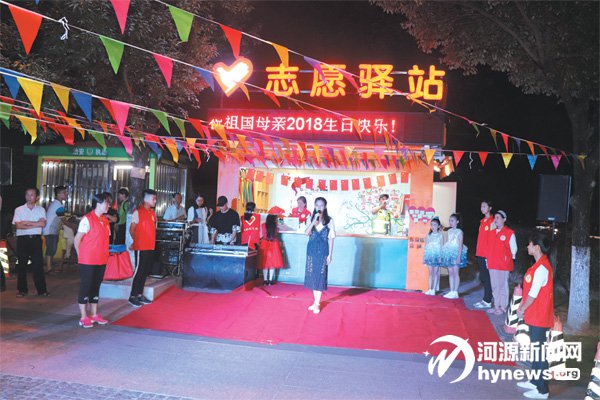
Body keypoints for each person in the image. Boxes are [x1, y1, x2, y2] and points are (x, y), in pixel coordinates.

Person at [516, 232, 554, 399]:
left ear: (537, 247)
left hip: (540, 316)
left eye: (530, 244)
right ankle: (534, 381)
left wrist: (522, 308)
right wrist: (524, 307)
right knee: (536, 350)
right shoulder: (538, 265)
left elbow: (533, 294)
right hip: (535, 314)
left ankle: (543, 390)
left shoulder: (542, 268)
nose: (527, 247)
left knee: (539, 353)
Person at [73, 193, 111, 328]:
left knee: (96, 286)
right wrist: (81, 256)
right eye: (106, 203)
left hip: (101, 259)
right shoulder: (87, 219)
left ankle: (94, 314)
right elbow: (77, 240)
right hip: (87, 260)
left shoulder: (105, 220)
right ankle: (83, 316)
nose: (108, 205)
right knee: (86, 286)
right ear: (98, 204)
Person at [12, 188, 49, 297]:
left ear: (37, 197)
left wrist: (27, 223)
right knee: (22, 265)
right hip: (22, 240)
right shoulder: (19, 209)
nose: (29, 197)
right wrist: (36, 223)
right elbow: (19, 226)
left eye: (32, 195)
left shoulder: (41, 210)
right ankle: (22, 290)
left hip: (36, 240)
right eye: (27, 195)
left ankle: (42, 290)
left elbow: (43, 224)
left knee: (38, 265)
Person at [304, 197, 335, 314]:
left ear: (325, 206)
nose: (319, 207)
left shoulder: (329, 220)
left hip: (323, 251)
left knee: (321, 275)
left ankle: (317, 304)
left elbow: (331, 239)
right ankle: (315, 301)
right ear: (314, 206)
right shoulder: (310, 218)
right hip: (311, 250)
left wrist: (330, 255)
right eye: (317, 205)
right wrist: (313, 221)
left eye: (321, 205)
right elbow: (306, 233)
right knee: (312, 275)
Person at [128, 189, 157, 308]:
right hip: (141, 247)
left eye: (155, 199)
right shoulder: (138, 212)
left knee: (145, 271)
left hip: (150, 246)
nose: (155, 201)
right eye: (153, 199)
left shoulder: (152, 213)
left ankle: (140, 294)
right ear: (146, 199)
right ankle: (132, 296)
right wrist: (137, 241)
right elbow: (132, 229)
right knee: (139, 271)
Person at [487, 210, 517, 315]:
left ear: (504, 219)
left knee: (502, 286)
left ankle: (503, 306)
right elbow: (489, 248)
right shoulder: (492, 233)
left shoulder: (509, 233)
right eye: (495, 218)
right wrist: (487, 260)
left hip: (503, 265)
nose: (495, 220)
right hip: (492, 263)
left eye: (498, 218)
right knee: (494, 286)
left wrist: (508, 259)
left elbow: (514, 249)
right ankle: (496, 306)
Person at [474, 200, 495, 309]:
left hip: (487, 255)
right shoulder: (482, 221)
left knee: (487, 278)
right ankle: (485, 299)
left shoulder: (493, 221)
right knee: (483, 277)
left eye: (484, 206)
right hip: (480, 253)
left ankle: (488, 300)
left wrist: (489, 256)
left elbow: (493, 240)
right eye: (481, 206)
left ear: (490, 208)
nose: (482, 208)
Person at [441, 213, 467, 299]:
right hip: (449, 253)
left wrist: (459, 257)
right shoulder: (449, 231)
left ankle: (455, 291)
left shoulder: (459, 232)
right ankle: (451, 290)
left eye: (452, 220)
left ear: (457, 222)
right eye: (449, 220)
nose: (450, 222)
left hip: (456, 253)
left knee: (456, 273)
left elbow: (460, 246)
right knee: (450, 272)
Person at [42, 185, 68, 274]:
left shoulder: (57, 204)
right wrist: (74, 226)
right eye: (64, 192)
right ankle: (49, 269)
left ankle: (50, 268)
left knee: (52, 249)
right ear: (58, 194)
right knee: (51, 249)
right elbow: (63, 220)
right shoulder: (58, 205)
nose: (66, 194)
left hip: (52, 230)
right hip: (50, 230)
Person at [258, 214, 284, 285]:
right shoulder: (276, 225)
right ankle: (270, 280)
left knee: (264, 263)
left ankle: (265, 280)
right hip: (274, 244)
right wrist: (281, 218)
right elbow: (283, 226)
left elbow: (260, 235)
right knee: (273, 262)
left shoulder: (263, 225)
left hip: (264, 243)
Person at [423, 217, 444, 295]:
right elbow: (426, 247)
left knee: (435, 273)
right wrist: (424, 257)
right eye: (431, 225)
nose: (433, 226)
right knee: (430, 273)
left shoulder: (440, 235)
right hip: (430, 256)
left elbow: (441, 247)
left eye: (435, 225)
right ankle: (430, 289)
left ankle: (434, 290)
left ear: (438, 226)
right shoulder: (429, 235)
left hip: (437, 256)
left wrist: (440, 257)